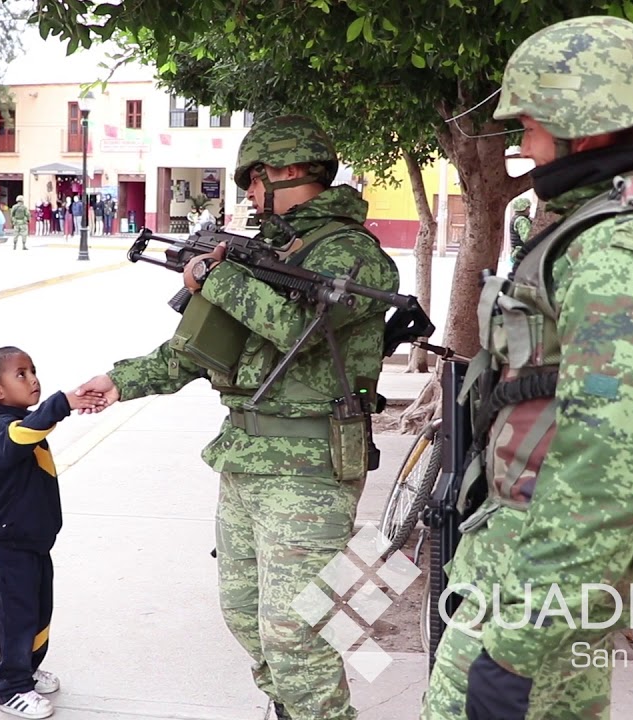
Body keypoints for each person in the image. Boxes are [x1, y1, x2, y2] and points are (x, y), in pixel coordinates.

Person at [423, 17, 633, 719]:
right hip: (532, 558)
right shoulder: (606, 224)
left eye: (530, 127)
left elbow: (608, 463)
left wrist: (514, 650)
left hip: (541, 578)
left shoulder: (627, 249)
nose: (522, 145)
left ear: (585, 127)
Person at [76, 114, 398, 720]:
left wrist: (221, 279)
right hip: (244, 462)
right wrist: (120, 381)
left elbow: (299, 331)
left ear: (290, 172)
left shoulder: (355, 255)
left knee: (297, 633)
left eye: (254, 178)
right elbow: (196, 353)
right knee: (246, 616)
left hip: (309, 469)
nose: (249, 192)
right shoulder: (269, 253)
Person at [0, 347, 103, 719]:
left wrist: (66, 406)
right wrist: (63, 401)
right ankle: (10, 687)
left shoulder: (24, 423)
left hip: (35, 543)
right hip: (12, 545)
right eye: (21, 374)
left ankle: (28, 670)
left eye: (33, 371)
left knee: (39, 613)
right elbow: (27, 433)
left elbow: (35, 427)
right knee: (18, 618)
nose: (32, 379)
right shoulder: (6, 431)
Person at [507, 196, 532, 262]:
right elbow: (528, 238)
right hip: (522, 254)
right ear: (525, 208)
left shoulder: (515, 218)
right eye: (528, 208)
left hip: (517, 253)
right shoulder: (522, 221)